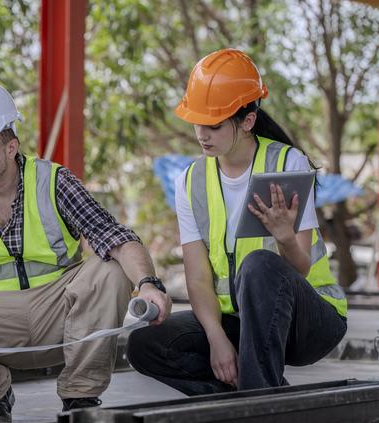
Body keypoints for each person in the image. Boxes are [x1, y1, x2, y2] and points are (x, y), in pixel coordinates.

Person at [0, 80, 171, 423]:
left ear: (9, 147)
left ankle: (80, 394)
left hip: (60, 314)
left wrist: (149, 284)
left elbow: (114, 236)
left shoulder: (54, 182)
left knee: (110, 269)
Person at [127, 49, 348, 395]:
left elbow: (301, 267)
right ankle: (246, 394)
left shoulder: (287, 164)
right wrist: (217, 339)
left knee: (259, 264)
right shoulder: (191, 180)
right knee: (145, 344)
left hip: (309, 321)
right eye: (198, 123)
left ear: (247, 121)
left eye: (213, 125)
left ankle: (260, 414)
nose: (202, 135)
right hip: (239, 323)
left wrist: (285, 237)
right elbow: (198, 277)